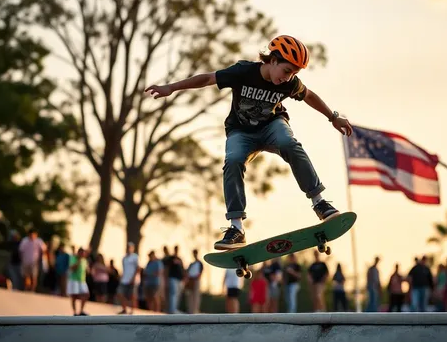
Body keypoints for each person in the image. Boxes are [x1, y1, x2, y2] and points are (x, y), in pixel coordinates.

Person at [145, 35, 354, 250]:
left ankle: (320, 203)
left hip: (272, 126)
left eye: (294, 74)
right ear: (273, 60)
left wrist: (333, 117)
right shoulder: (243, 72)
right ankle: (236, 228)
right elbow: (207, 79)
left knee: (289, 143)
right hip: (241, 131)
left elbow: (309, 96)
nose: (288, 77)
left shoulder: (290, 83)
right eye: (286, 70)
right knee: (233, 160)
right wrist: (171, 87)